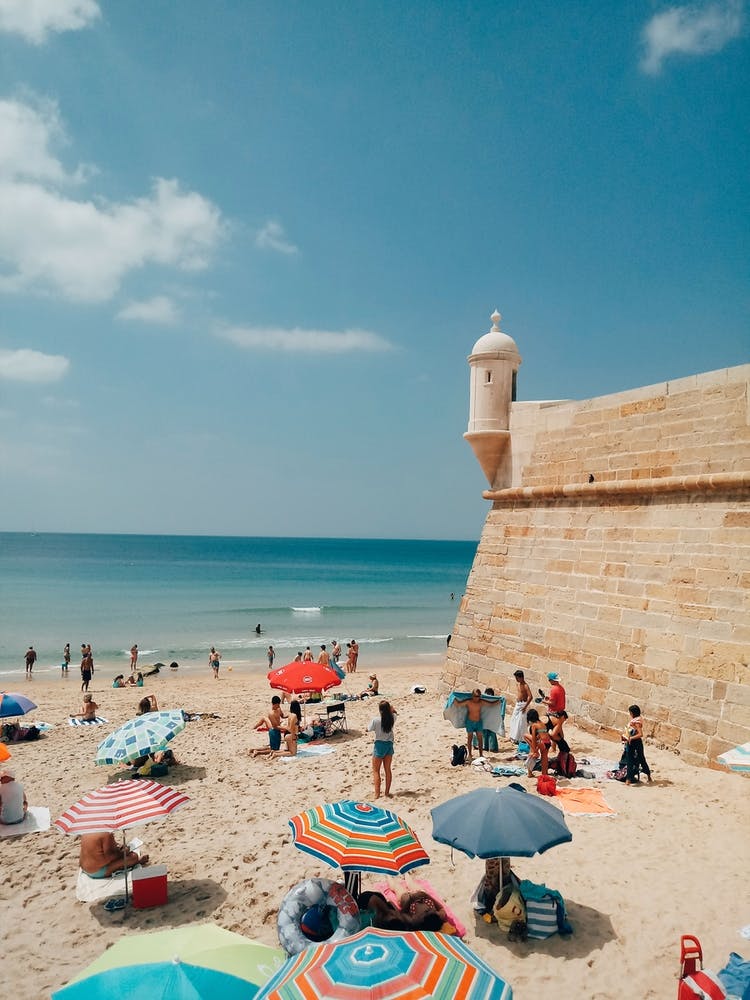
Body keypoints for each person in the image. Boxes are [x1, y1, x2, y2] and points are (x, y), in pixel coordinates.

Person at [79, 831, 149, 879]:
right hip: (96, 872)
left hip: (84, 868)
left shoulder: (87, 831)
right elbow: (110, 857)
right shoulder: (107, 833)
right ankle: (136, 862)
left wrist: (117, 847)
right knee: (133, 857)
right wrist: (124, 852)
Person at [368, 700, 396, 799]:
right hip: (389, 745)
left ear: (380, 710)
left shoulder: (376, 720)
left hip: (379, 745)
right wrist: (391, 709)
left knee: (376, 771)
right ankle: (387, 793)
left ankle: (377, 794)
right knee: (387, 770)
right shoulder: (392, 718)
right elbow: (394, 711)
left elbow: (368, 729)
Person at [455, 688, 491, 761]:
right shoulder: (468, 702)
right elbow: (458, 704)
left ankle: (481, 754)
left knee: (480, 739)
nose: (477, 698)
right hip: (470, 722)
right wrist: (453, 698)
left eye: (478, 696)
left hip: (478, 722)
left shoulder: (481, 702)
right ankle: (470, 754)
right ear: (472, 696)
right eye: (475, 696)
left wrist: (500, 700)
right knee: (470, 738)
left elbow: (491, 704)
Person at [623, 704, 652, 784]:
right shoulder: (637, 720)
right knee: (639, 759)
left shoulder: (636, 722)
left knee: (633, 759)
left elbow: (640, 734)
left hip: (634, 742)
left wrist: (630, 738)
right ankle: (647, 775)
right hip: (633, 742)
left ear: (632, 713)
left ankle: (629, 779)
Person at [526, 708, 551, 776]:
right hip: (548, 742)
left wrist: (534, 750)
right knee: (544, 759)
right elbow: (542, 734)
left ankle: (535, 752)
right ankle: (545, 774)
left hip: (542, 742)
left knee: (525, 736)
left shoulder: (534, 725)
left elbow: (534, 738)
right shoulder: (542, 723)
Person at [509, 670, 533, 743]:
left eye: (517, 678)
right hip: (518, 704)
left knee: (521, 722)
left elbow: (530, 696)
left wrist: (525, 707)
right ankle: (513, 737)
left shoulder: (526, 685)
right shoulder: (518, 684)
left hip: (523, 705)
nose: (516, 679)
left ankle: (521, 739)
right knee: (514, 720)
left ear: (521, 677)